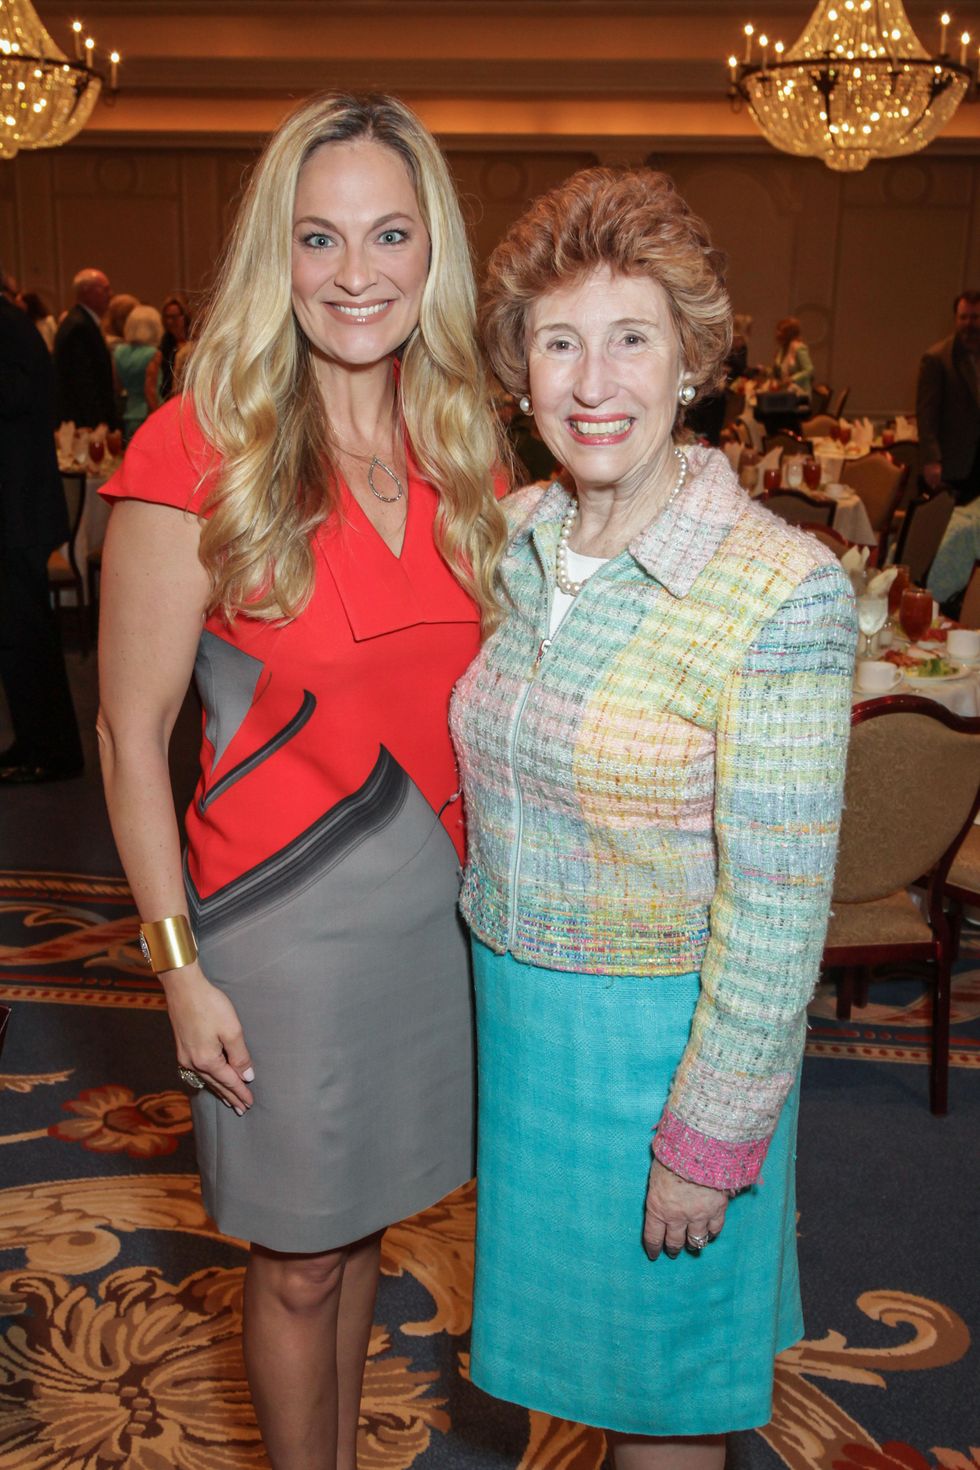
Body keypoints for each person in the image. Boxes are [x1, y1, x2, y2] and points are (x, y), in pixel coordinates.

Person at [96, 91, 505, 1470]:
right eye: (317, 238)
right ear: (276, 254)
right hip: (279, 926)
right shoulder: (194, 446)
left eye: (389, 234)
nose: (354, 273)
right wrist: (176, 968)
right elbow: (128, 731)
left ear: (432, 250)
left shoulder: (465, 448)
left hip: (435, 919)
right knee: (298, 1260)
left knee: (365, 1228)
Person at [451, 167, 856, 1465]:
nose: (592, 382)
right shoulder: (509, 537)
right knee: (579, 1388)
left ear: (691, 361)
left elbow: (780, 906)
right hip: (525, 1039)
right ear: (518, 368)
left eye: (631, 338)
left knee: (665, 1410)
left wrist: (709, 1136)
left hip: (666, 1051)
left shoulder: (776, 586)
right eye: (557, 343)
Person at [0, 274, 84, 784]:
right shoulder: (12, 322)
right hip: (18, 512)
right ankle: (35, 743)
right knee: (20, 639)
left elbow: (20, 395)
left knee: (26, 639)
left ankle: (50, 753)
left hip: (18, 514)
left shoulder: (7, 324)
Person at [917, 290, 980, 506]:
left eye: (975, 317)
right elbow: (927, 415)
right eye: (964, 317)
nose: (969, 324)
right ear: (956, 319)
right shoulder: (937, 359)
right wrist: (931, 460)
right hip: (953, 462)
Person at [54, 268, 117, 430]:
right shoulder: (79, 326)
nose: (110, 294)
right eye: (105, 289)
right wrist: (98, 423)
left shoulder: (82, 321)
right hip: (86, 423)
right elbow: (82, 381)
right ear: (86, 291)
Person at [113, 303, 163, 444]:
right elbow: (150, 391)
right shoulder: (153, 354)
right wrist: (159, 418)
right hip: (147, 414)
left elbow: (117, 387)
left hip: (129, 413)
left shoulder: (119, 352)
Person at [769, 313, 814, 399]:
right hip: (786, 393)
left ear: (789, 333)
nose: (777, 333)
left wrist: (792, 379)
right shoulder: (782, 349)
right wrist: (765, 371)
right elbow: (779, 371)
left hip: (799, 394)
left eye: (780, 331)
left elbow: (809, 370)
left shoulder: (799, 348)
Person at [158, 294, 192, 400]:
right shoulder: (164, 343)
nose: (169, 321)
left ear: (184, 317)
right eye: (167, 317)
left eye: (174, 317)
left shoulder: (194, 340)